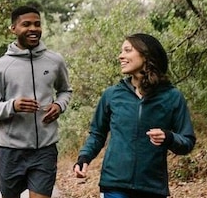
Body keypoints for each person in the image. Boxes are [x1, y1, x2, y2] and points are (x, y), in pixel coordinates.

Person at [73, 33, 196, 198]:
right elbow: (97, 134)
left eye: (127, 50)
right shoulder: (112, 95)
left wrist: (168, 137)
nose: (120, 56)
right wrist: (84, 157)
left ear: (146, 55)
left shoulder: (172, 96)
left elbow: (187, 141)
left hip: (152, 188)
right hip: (114, 185)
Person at [0, 5, 73, 198]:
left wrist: (59, 105)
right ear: (13, 29)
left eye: (37, 24)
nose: (33, 28)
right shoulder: (1, 66)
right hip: (11, 151)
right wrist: (12, 106)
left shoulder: (54, 60)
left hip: (45, 150)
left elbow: (65, 90)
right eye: (26, 24)